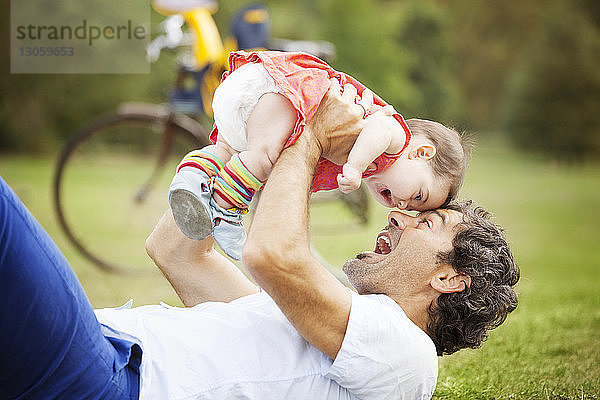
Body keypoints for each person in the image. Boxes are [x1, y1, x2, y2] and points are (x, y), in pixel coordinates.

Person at [0, 82, 518, 400]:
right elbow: (176, 250)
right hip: (100, 351)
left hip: (110, 380)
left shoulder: (408, 358)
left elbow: (271, 254)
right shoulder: (300, 329)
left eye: (424, 222)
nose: (398, 217)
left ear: (449, 277)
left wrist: (308, 134)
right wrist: (244, 145)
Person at [168, 50, 469, 259]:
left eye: (414, 208)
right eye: (418, 195)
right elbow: (378, 130)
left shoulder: (387, 158)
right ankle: (225, 211)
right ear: (422, 152)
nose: (404, 205)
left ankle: (190, 178)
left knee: (228, 151)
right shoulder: (398, 137)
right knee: (261, 157)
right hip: (282, 89)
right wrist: (354, 166)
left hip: (247, 96)